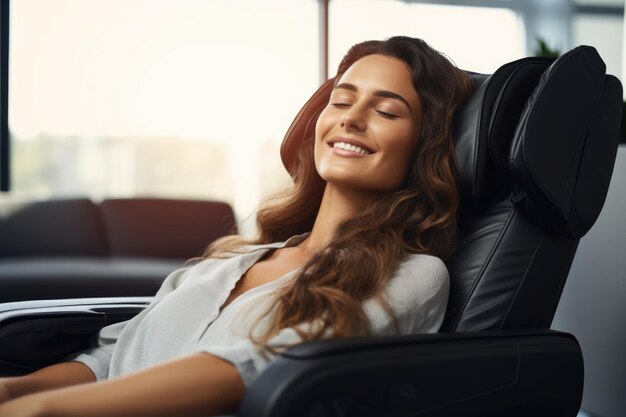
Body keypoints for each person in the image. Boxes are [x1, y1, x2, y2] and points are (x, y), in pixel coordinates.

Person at [0, 36, 474, 417]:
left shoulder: (413, 274)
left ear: (423, 145)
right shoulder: (230, 260)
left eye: (387, 111)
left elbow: (255, 370)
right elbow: (115, 357)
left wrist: (43, 409)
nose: (351, 118)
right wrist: (19, 390)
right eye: (341, 101)